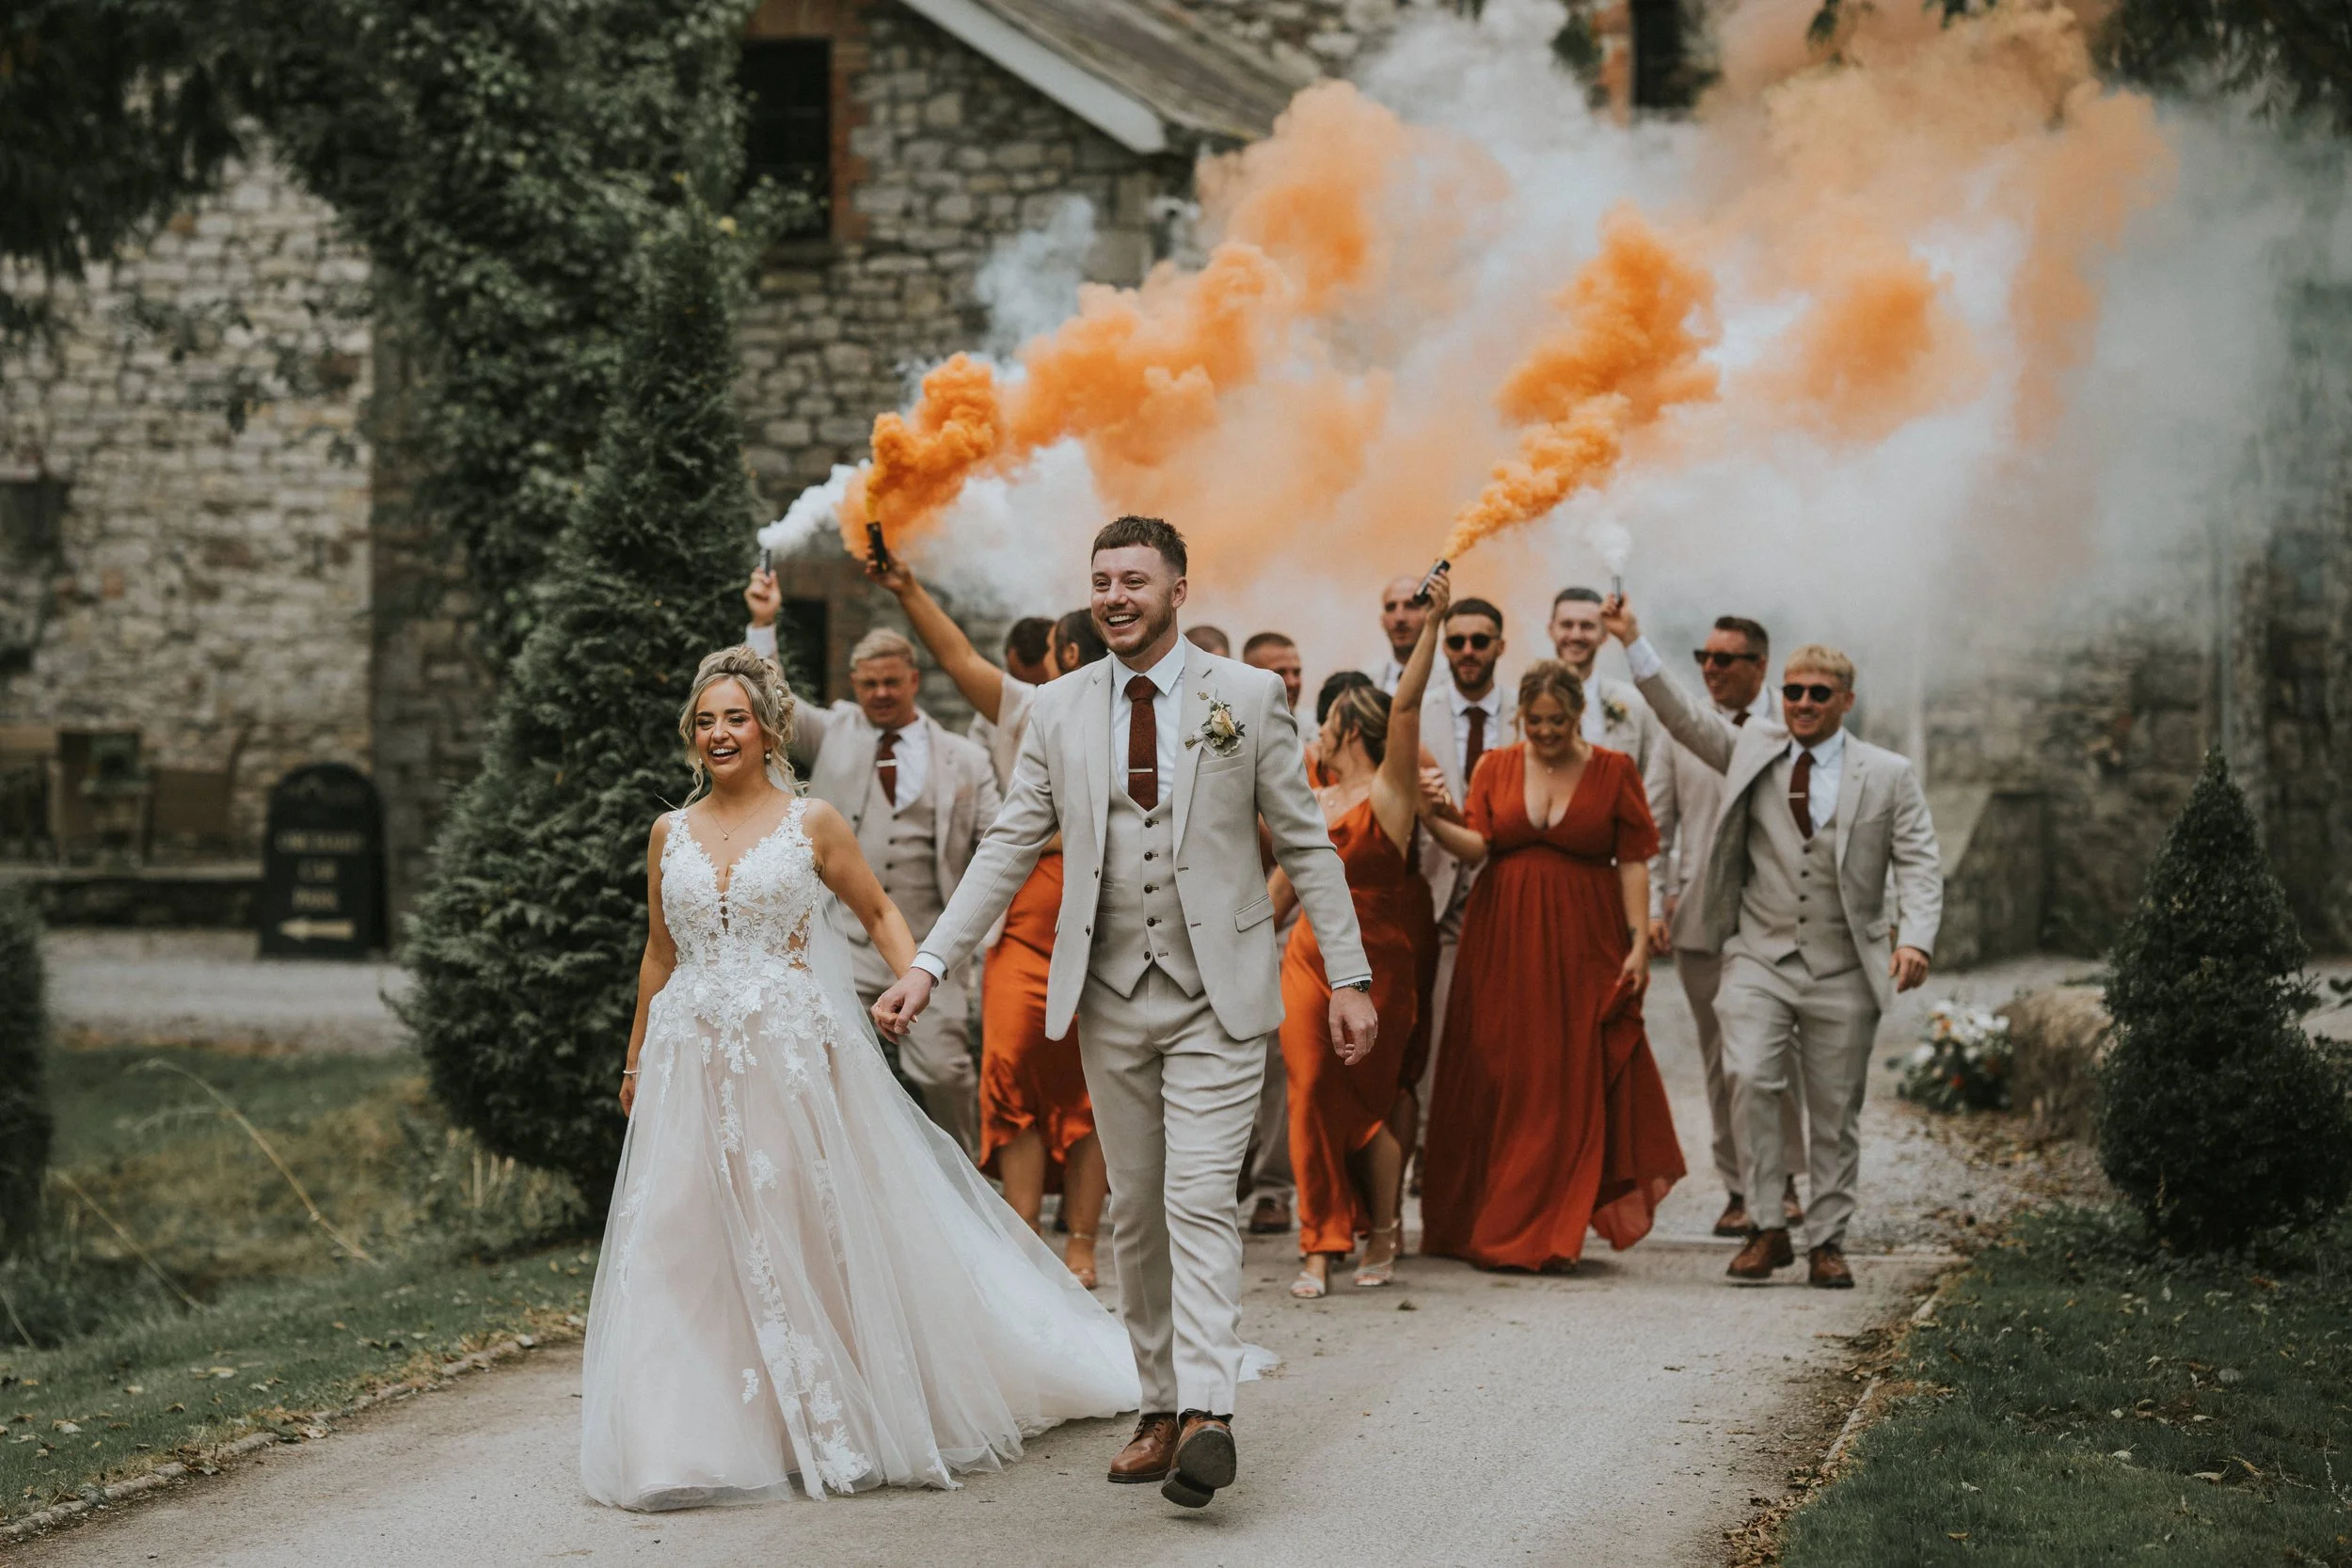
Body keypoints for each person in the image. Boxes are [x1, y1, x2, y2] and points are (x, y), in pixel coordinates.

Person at [872, 516, 1375, 1511]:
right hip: (1106, 996)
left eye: (1134, 579)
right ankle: (1157, 1407)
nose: (1114, 595)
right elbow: (1009, 845)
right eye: (1100, 579)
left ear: (1178, 588)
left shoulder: (1249, 696)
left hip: (1218, 994)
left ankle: (1210, 1413)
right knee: (1135, 1210)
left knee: (1195, 1198)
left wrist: (1349, 974)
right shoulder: (1057, 710)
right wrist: (929, 961)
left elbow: (1305, 844)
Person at [581, 648, 1135, 1511]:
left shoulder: (813, 822)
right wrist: (634, 1056)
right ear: (691, 737)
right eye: (705, 720)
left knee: (794, 1228)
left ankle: (827, 1412)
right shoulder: (670, 834)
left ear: (768, 728)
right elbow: (660, 953)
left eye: (735, 717)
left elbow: (879, 910)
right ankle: (683, 1440)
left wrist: (914, 981)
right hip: (690, 1059)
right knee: (684, 1235)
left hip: (786, 1056)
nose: (719, 732)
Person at [1605, 598, 1942, 1289]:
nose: (1804, 703)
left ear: (1845, 700)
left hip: (1845, 962)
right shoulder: (1751, 748)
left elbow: (1919, 860)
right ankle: (1766, 1225)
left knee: (1834, 1106)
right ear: (1778, 693)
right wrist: (1635, 641)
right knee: (1751, 1078)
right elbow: (1682, 716)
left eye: (1820, 693)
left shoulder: (1887, 773)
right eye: (1793, 691)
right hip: (1758, 954)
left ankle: (1827, 1238)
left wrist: (1915, 939)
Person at [865, 563, 1110, 1290]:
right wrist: (909, 589)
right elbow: (956, 659)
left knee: (1089, 1082)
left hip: (1098, 917)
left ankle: (1085, 1242)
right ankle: (1025, 1236)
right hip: (1024, 918)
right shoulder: (1032, 710)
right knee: (1008, 1072)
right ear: (1060, 657)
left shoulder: (1138, 720)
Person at [1418, 659, 1685, 1271]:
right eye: (1534, 721)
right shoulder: (1495, 766)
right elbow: (1480, 845)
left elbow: (1636, 859)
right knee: (1500, 1073)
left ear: (1577, 715)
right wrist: (1433, 818)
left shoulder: (1614, 770)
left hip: (1582, 942)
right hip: (1502, 940)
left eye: (1557, 721)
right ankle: (1487, 1217)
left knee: (1564, 1080)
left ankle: (1546, 1227)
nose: (1544, 731)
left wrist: (1638, 942)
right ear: (1520, 718)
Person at [1273, 571, 1447, 1299]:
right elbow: (1282, 885)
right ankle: (1319, 1243)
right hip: (1308, 955)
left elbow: (1405, 706)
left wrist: (1434, 624)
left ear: (1350, 726)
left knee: (1370, 1103)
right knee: (1310, 1090)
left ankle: (1379, 1225)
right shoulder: (1310, 796)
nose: (1317, 728)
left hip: (1382, 961)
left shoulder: (1390, 796)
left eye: (1327, 719)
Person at [780, 626, 1000, 1155]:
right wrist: (763, 620)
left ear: (914, 680)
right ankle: (843, 1180)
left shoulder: (963, 757)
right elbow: (776, 701)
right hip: (841, 943)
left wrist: (990, 932)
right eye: (869, 683)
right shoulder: (833, 733)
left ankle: (964, 1185)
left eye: (891, 682)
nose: (880, 693)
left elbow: (999, 842)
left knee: (947, 1073)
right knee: (828, 1067)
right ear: (855, 683)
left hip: (927, 947)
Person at [1652, 615, 1807, 1238]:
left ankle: (1787, 1178)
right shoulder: (1679, 729)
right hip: (1698, 916)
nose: (1710, 670)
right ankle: (1740, 1186)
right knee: (1720, 1057)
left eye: (1725, 660)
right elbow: (1657, 819)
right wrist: (1659, 896)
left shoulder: (1791, 723)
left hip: (1774, 914)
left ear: (1760, 665)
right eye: (1703, 658)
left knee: (1777, 1049)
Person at [1409, 594, 1513, 1165]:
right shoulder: (1419, 710)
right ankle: (1435, 1150)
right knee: (1439, 1028)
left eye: (1480, 641)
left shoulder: (1530, 711)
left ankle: (1499, 1150)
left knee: (1508, 1033)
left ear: (1501, 644)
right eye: (1457, 641)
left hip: (1511, 891)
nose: (1468, 652)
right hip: (1437, 890)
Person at [1237, 626, 1306, 1240]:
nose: (1291, 682)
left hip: (1292, 924)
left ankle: (1273, 1186)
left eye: (1296, 670)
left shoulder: (1313, 743)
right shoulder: (1226, 735)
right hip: (1231, 915)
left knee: (1280, 1056)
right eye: (1277, 673)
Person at [1548, 586, 1666, 777]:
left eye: (1587, 626)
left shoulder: (1635, 704)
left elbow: (1653, 775)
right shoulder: (1524, 703)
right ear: (1551, 630)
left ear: (1604, 634)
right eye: (1567, 625)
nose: (1576, 635)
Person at [1374, 574, 1431, 694]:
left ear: (1430, 614)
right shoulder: (1370, 682)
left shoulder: (1454, 680)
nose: (1400, 618)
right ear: (1382, 620)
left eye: (1411, 606)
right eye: (1391, 607)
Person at [1241, 631, 1304, 713]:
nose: (1292, 682)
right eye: (1280, 673)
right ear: (1250, 677)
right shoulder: (1228, 721)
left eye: (1296, 673)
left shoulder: (1314, 724)